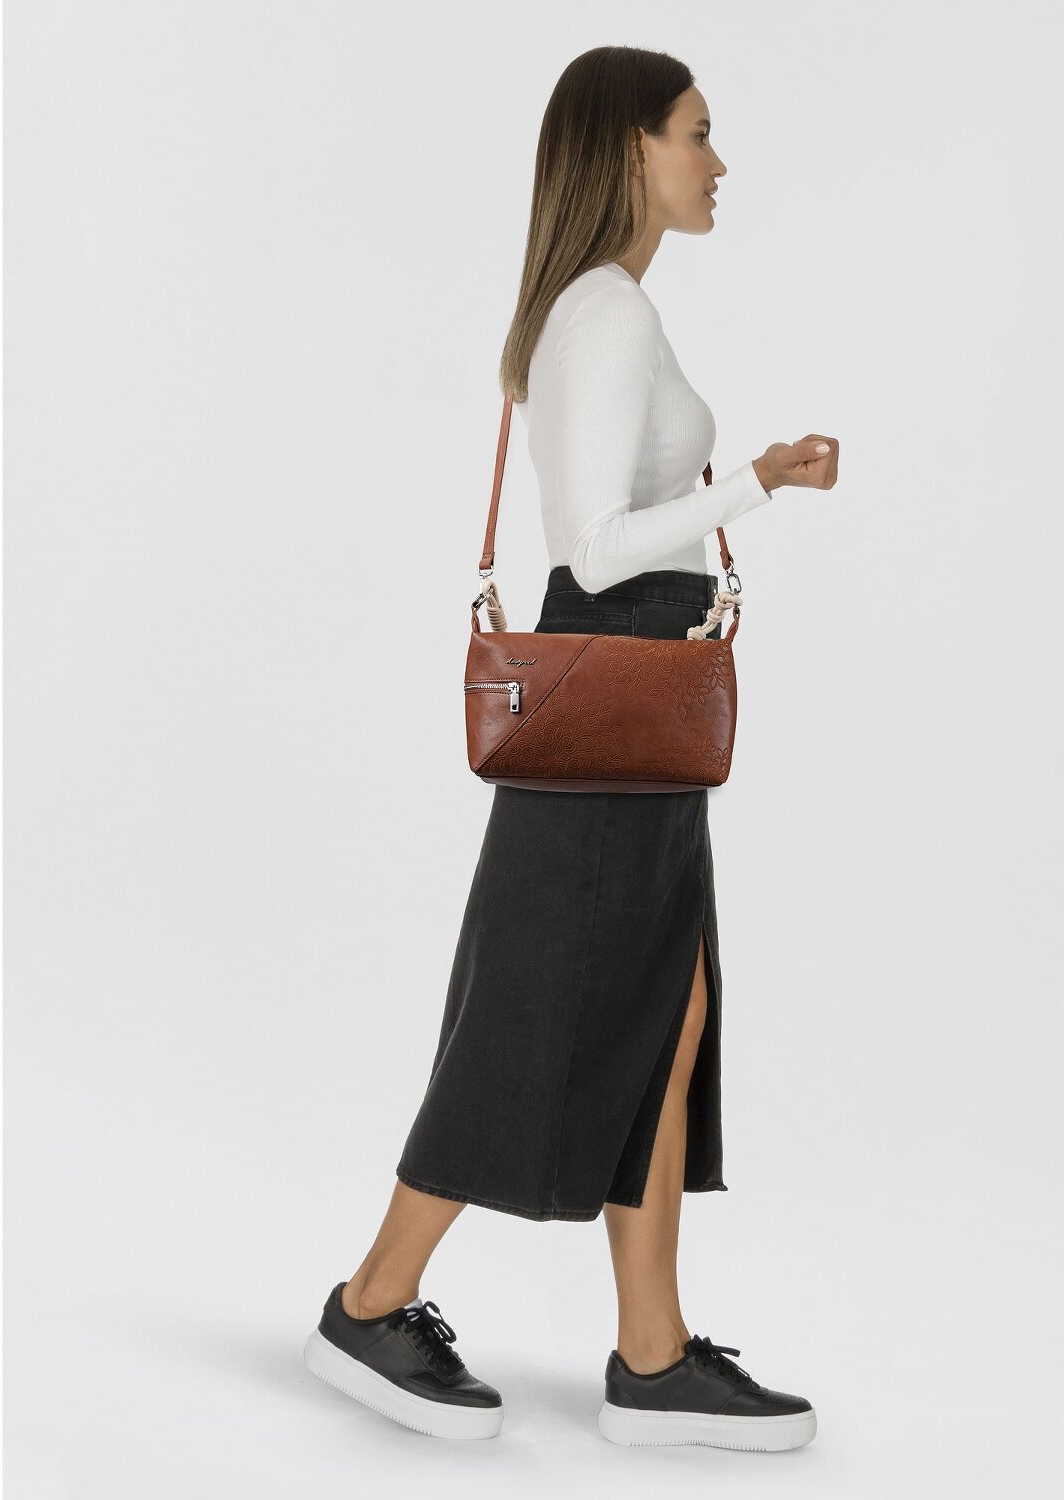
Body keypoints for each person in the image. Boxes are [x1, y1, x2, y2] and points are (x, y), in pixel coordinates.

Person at [303, 46, 838, 1451]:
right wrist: (754, 484)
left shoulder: (612, 308)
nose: (717, 163)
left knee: (668, 1011)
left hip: (637, 693)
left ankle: (651, 1351)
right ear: (630, 147)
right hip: (613, 676)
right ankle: (372, 1300)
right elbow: (595, 549)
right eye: (698, 135)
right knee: (534, 1006)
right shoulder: (602, 312)